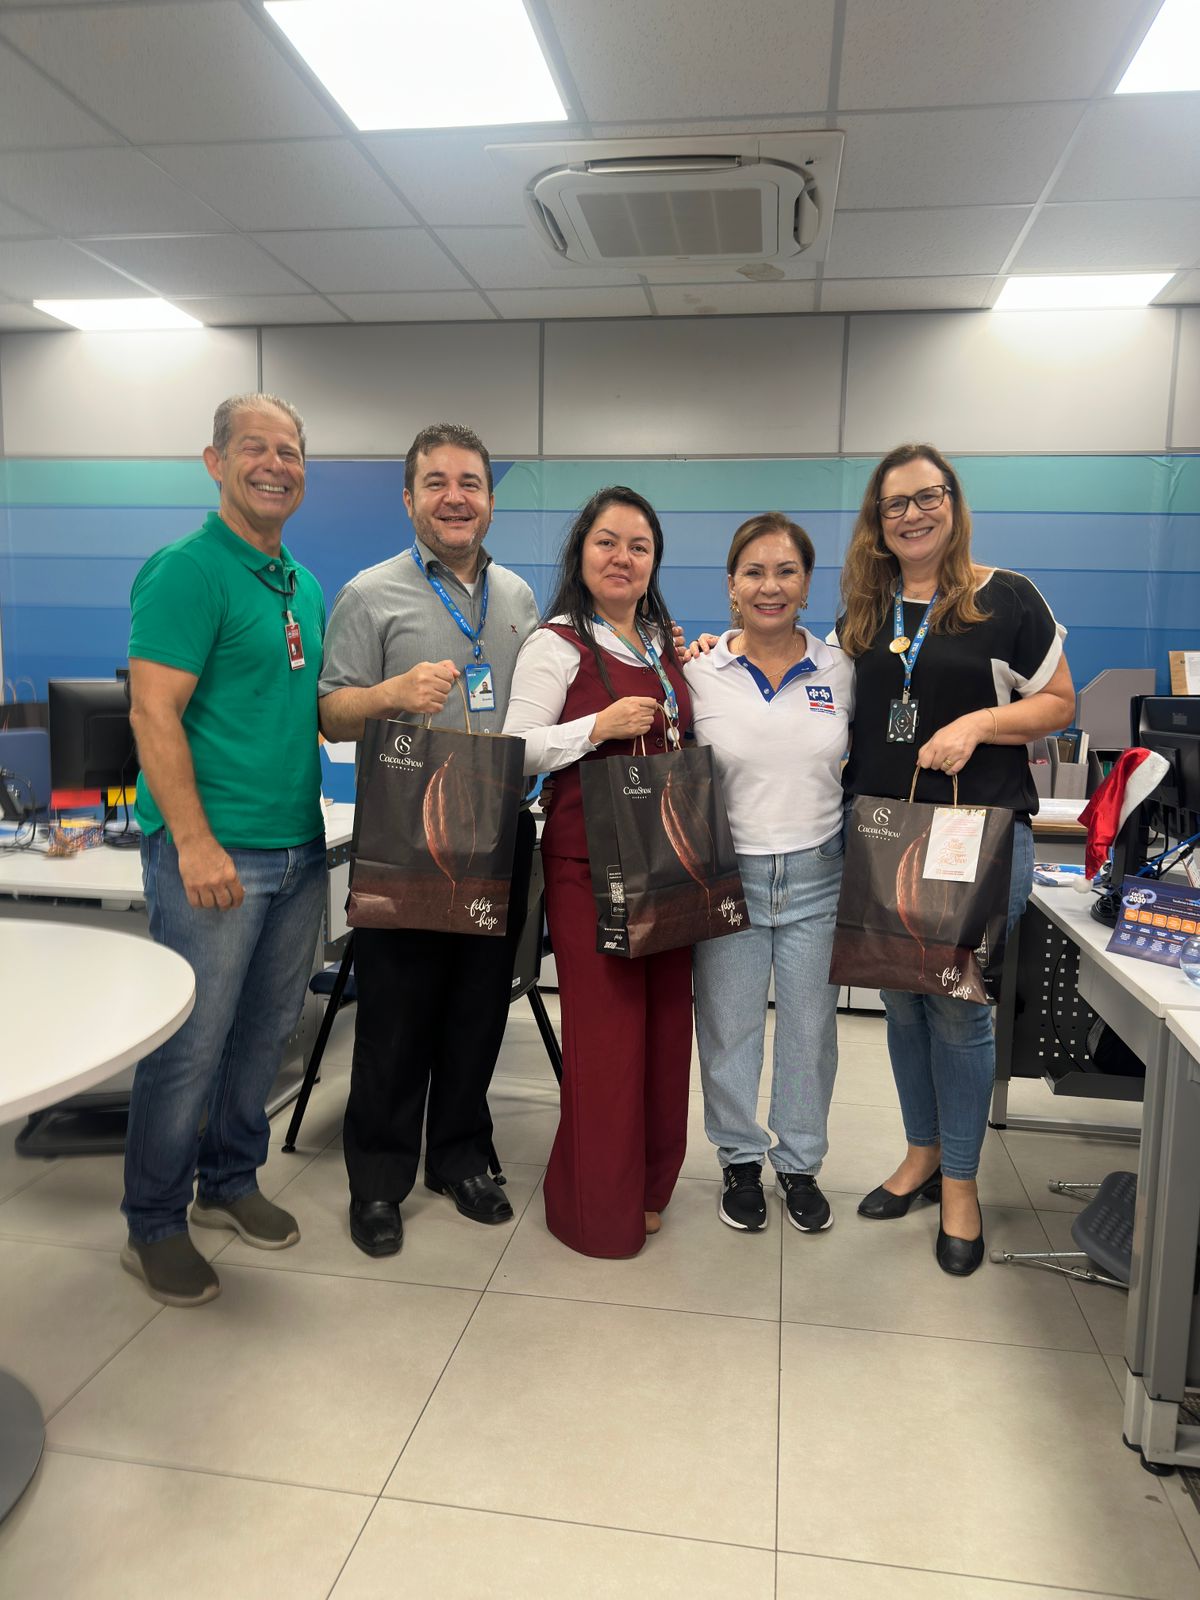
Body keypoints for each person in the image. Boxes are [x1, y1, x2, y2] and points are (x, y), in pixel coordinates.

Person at [838, 442, 1075, 1276]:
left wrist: (979, 723)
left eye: (927, 496)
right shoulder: (865, 612)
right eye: (895, 503)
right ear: (878, 521)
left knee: (958, 1008)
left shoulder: (1006, 598)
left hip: (974, 835)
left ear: (953, 502)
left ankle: (963, 1183)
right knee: (902, 1004)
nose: (913, 514)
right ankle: (922, 1154)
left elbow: (1059, 701)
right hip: (882, 835)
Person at [123, 393, 327, 1308]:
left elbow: (309, 708)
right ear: (215, 461)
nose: (275, 465)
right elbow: (151, 712)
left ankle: (230, 1180)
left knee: (264, 1036)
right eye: (255, 448)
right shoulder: (186, 571)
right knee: (189, 1047)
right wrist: (194, 842)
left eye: (290, 451)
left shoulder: (299, 583)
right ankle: (153, 1223)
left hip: (298, 850)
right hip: (217, 856)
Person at [319, 423, 539, 1258]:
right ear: (409, 498)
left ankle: (460, 1158)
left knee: (478, 1011)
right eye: (437, 483)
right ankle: (378, 1181)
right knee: (396, 1017)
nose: (455, 497)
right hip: (406, 836)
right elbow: (329, 713)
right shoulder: (369, 594)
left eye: (470, 482)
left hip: (498, 831)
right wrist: (389, 694)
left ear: (490, 500)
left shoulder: (518, 598)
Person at [502, 487, 693, 1258]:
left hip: (666, 861)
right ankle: (594, 1209)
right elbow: (515, 750)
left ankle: (648, 1187)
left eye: (639, 546)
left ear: (654, 562)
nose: (622, 557)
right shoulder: (555, 644)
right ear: (580, 552)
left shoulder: (659, 643)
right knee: (608, 1039)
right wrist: (596, 727)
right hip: (591, 867)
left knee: (664, 1032)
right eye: (607, 541)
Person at [686, 514, 853, 1233]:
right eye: (754, 572)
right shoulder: (698, 672)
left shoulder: (841, 668)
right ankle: (739, 1159)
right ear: (732, 586)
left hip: (819, 871)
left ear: (807, 585)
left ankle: (800, 1163)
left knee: (810, 1033)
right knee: (730, 1029)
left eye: (786, 571)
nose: (770, 586)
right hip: (729, 876)